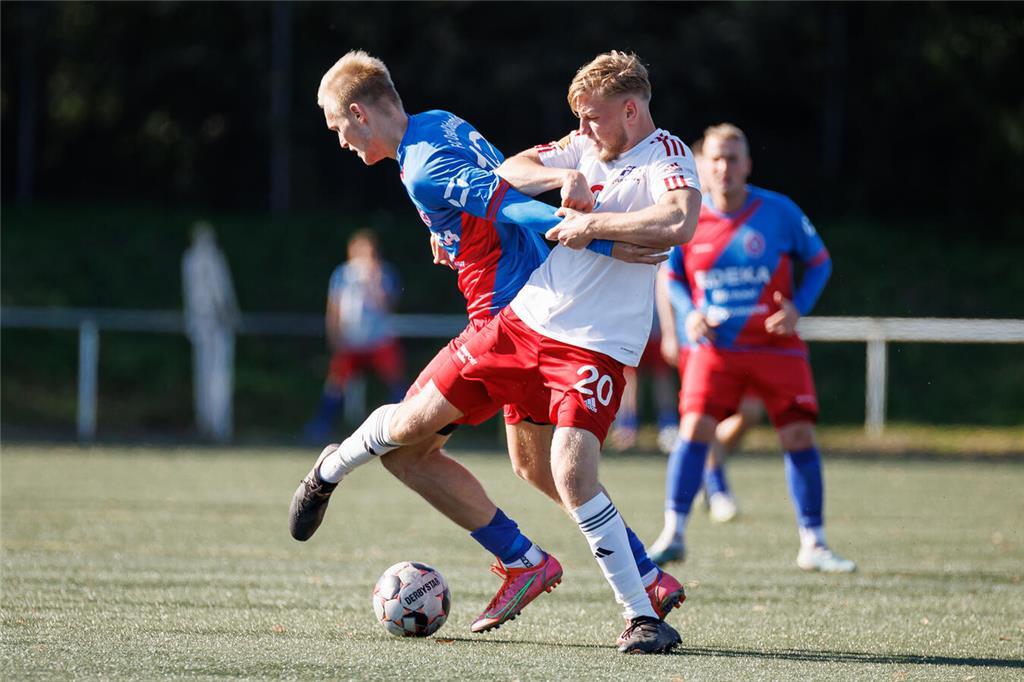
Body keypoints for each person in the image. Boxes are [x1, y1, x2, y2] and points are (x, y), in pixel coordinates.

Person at [291, 50, 685, 653]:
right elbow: (503, 174)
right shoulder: (440, 123)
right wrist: (450, 232)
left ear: (357, 113)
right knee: (520, 465)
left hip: (510, 312)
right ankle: (624, 573)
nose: (338, 140)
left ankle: (328, 472)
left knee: (411, 437)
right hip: (532, 308)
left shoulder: (422, 165)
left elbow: (504, 201)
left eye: (334, 126)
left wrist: (594, 236)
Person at [647, 123, 856, 573]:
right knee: (694, 430)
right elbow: (672, 274)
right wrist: (688, 314)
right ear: (702, 164)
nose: (724, 167)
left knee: (798, 434)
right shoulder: (686, 215)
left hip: (776, 346)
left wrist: (799, 307)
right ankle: (673, 533)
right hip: (714, 348)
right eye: (716, 158)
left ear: (747, 165)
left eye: (734, 158)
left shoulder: (778, 211)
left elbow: (819, 262)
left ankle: (813, 543)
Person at [655, 137, 764, 522]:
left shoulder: (746, 212)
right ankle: (717, 487)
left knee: (750, 411)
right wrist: (671, 330)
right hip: (696, 337)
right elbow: (667, 279)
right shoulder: (684, 211)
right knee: (704, 415)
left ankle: (700, 465)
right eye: (707, 163)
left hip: (742, 337)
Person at [304, 229, 405, 442]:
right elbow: (334, 308)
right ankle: (320, 427)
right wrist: (334, 335)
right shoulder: (342, 274)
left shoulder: (385, 273)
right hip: (350, 340)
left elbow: (387, 306)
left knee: (395, 380)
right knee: (335, 384)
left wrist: (373, 281)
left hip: (378, 340)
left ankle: (406, 427)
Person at [182, 222, 239, 443]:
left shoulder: (190, 259)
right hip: (213, 323)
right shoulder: (208, 258)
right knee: (216, 375)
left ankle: (213, 423)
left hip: (203, 323)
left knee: (210, 375)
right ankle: (215, 425)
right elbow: (220, 291)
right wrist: (230, 316)